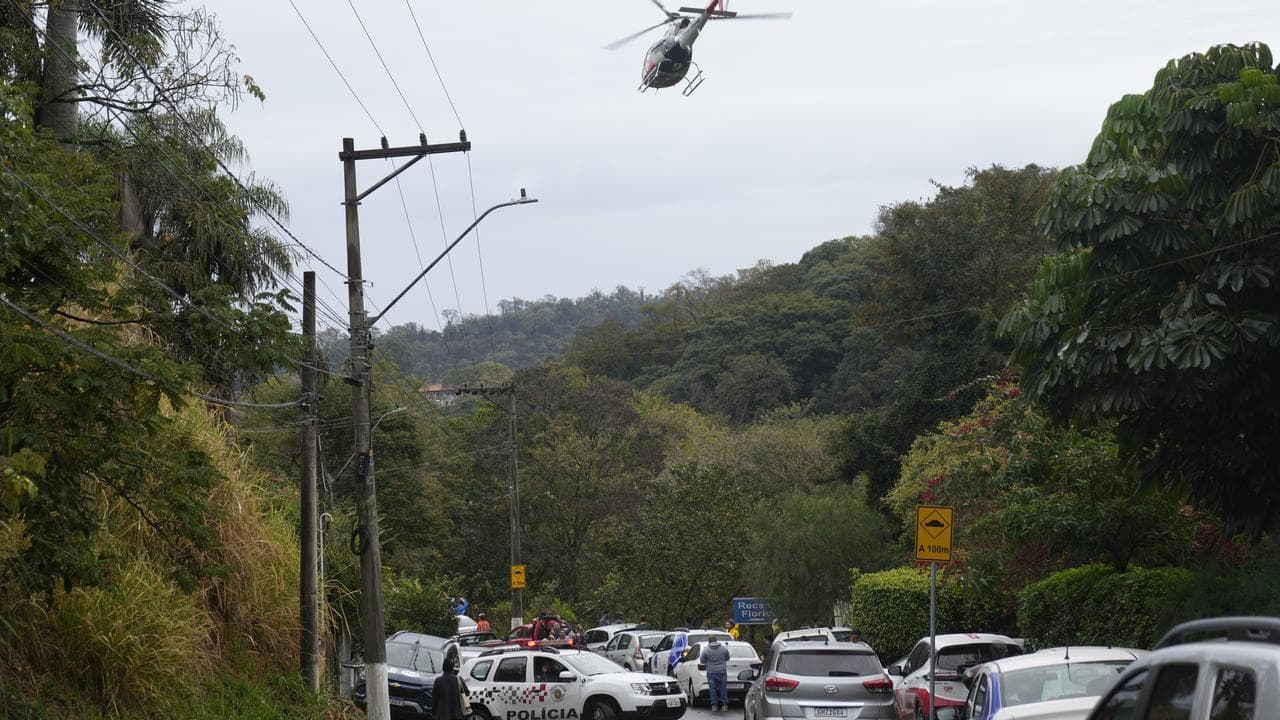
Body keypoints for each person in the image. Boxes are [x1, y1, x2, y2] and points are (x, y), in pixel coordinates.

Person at [432, 655, 469, 720]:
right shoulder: (458, 679)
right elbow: (467, 693)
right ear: (452, 668)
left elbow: (435, 699)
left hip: (442, 715)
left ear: (443, 667)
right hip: (457, 715)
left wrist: (433, 713)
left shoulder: (438, 680)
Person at [702, 635, 731, 712]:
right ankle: (724, 705)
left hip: (711, 672)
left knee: (712, 689)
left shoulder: (706, 650)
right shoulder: (724, 649)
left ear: (709, 641)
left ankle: (714, 705)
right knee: (723, 688)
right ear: (716, 640)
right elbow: (728, 658)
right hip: (722, 672)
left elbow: (702, 661)